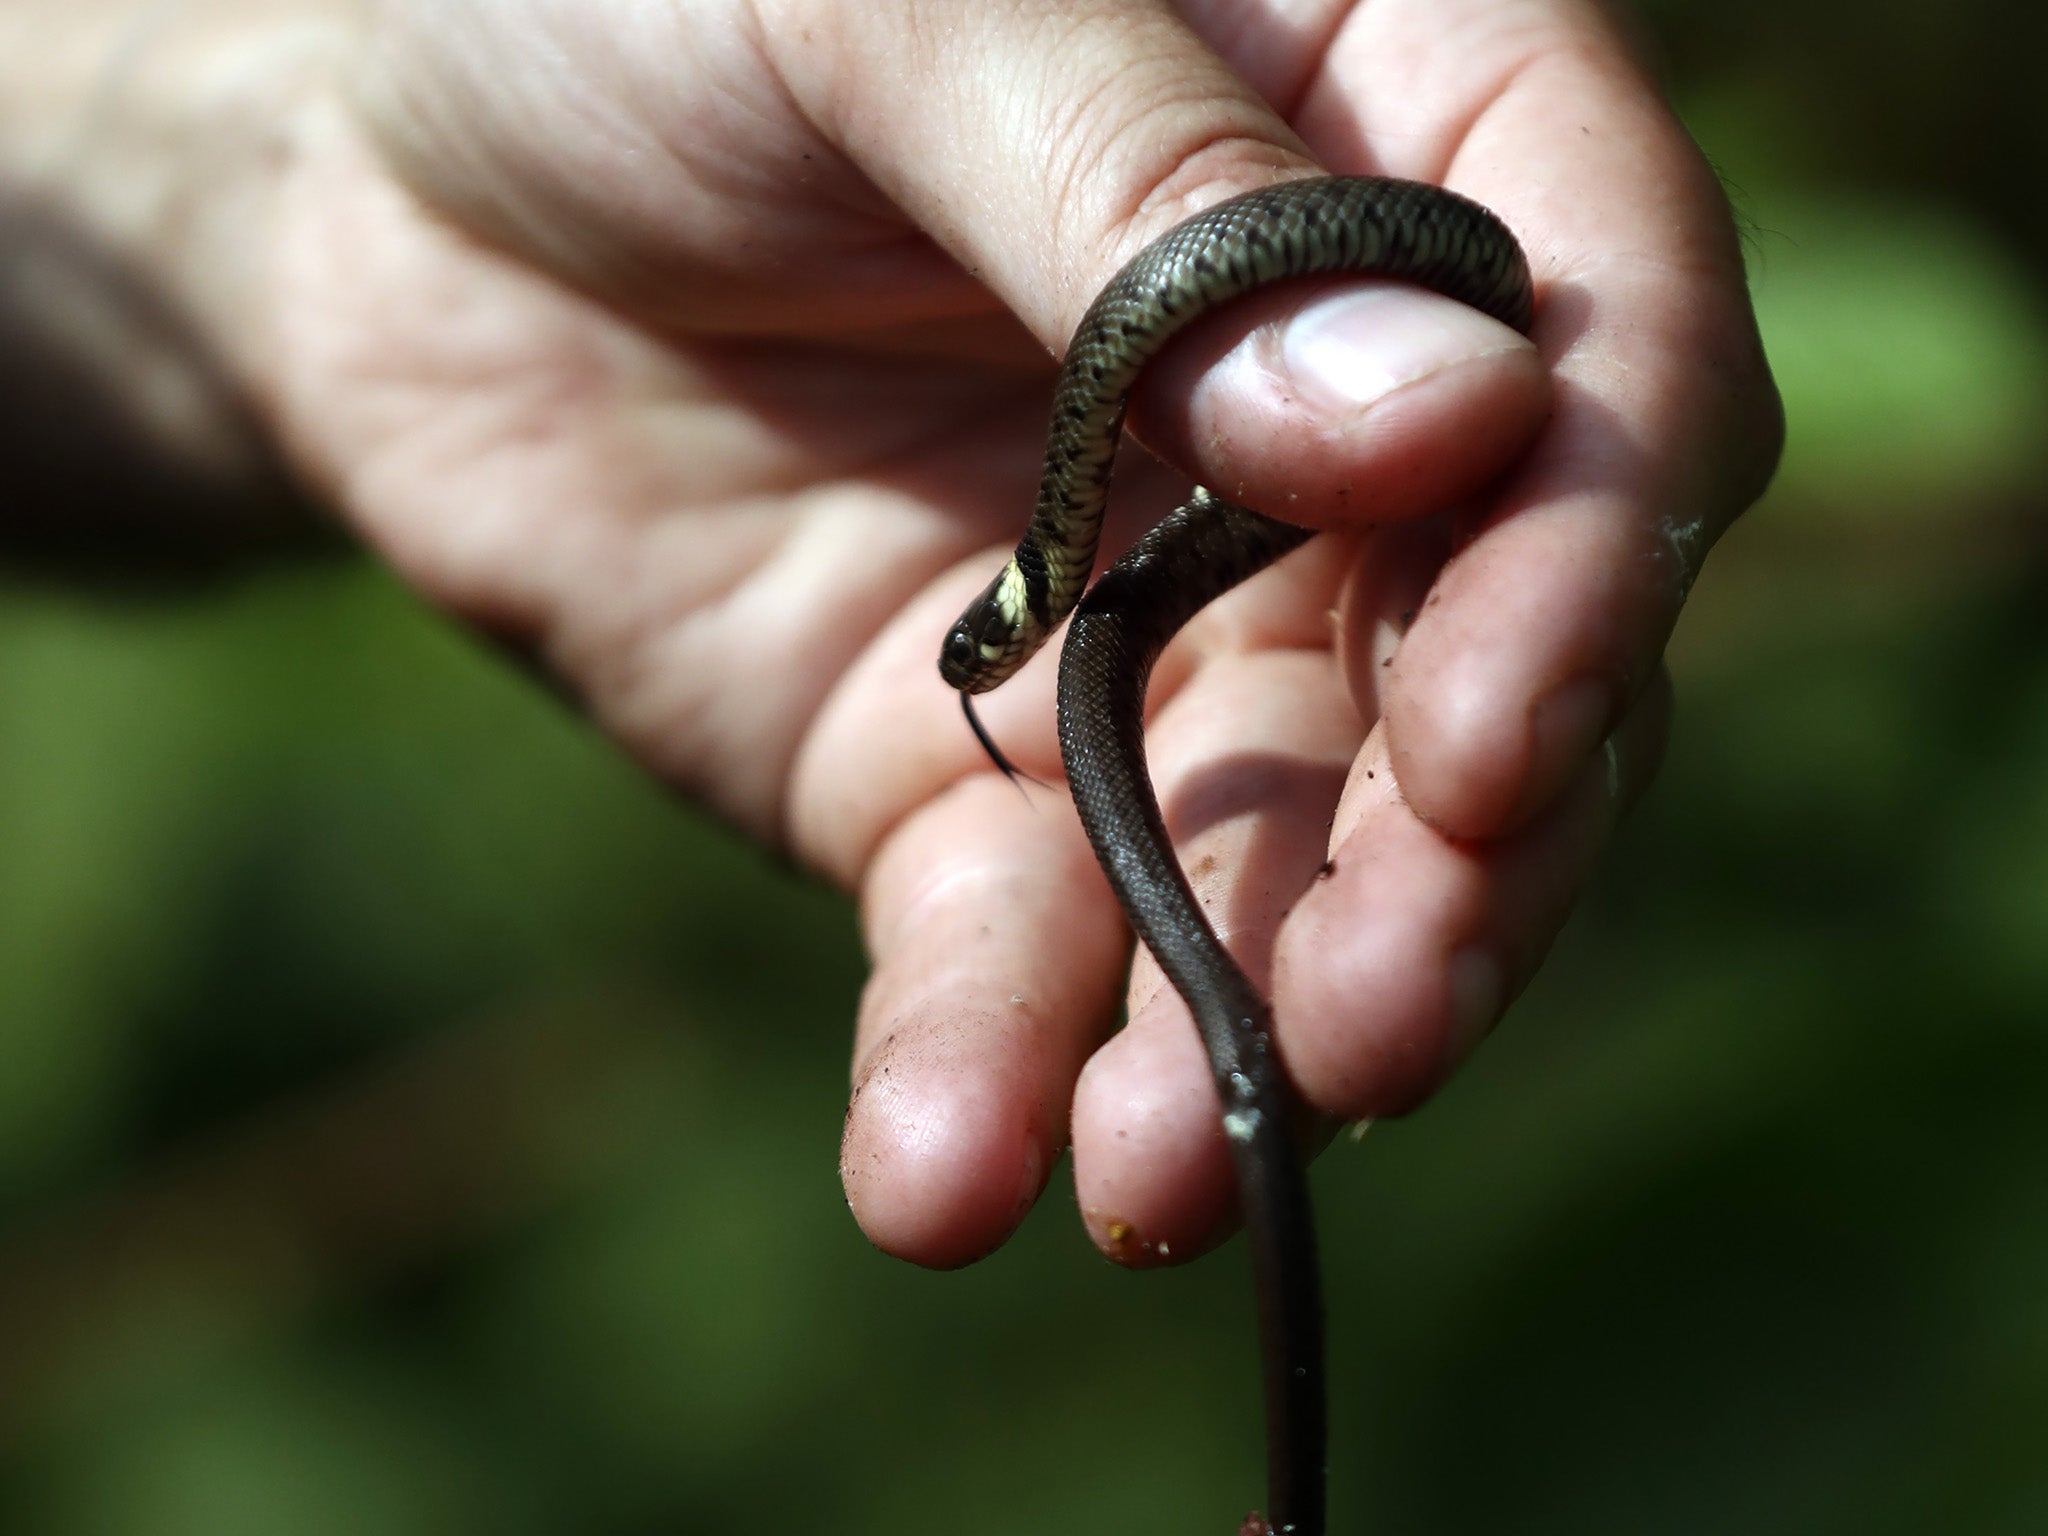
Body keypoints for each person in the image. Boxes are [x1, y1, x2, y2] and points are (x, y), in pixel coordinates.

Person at [0, 0, 1780, 1271]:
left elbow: (1121, 408)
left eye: (987, 653)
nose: (985, 675)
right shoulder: (1075, 573)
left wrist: (1183, 216)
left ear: (1017, 605)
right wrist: (302, 180)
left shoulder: (1072, 525)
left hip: (1424, 259)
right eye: (994, 656)